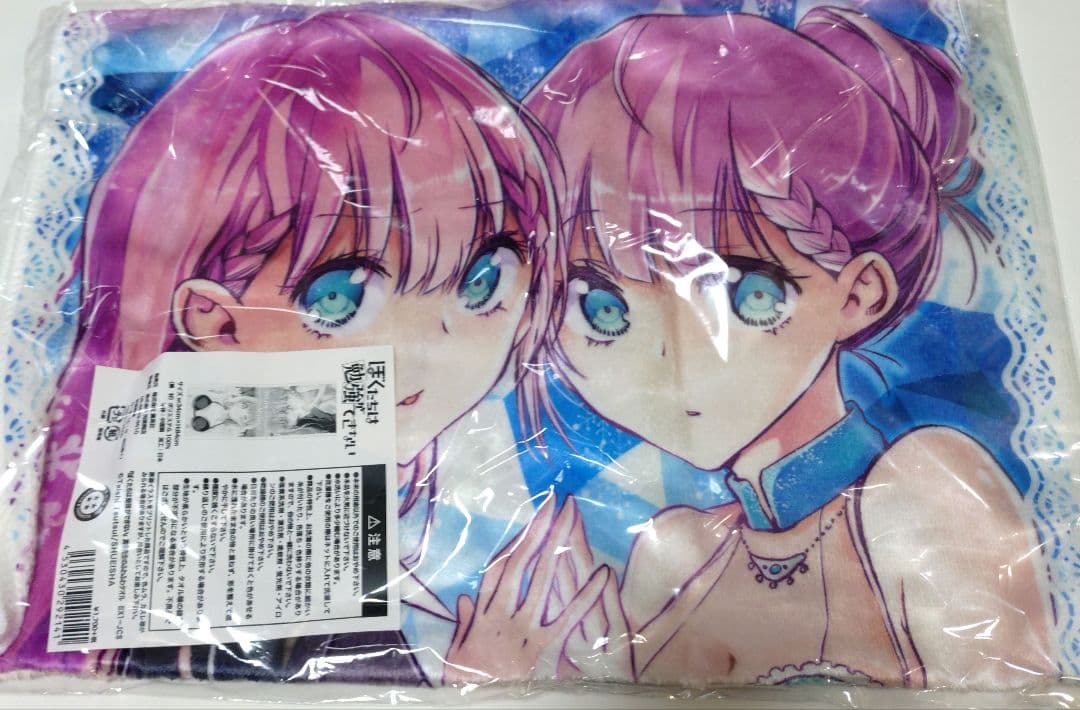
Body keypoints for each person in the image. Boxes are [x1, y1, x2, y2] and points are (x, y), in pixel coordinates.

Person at [448, 7, 1056, 688]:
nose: (670, 360)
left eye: (750, 295)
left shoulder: (922, 491)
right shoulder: (672, 553)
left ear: (859, 294)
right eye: (601, 308)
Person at [10, 10, 573, 685]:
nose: (433, 344)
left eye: (483, 280)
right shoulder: (211, 535)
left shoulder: (464, 484)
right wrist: (478, 668)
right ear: (216, 323)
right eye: (338, 300)